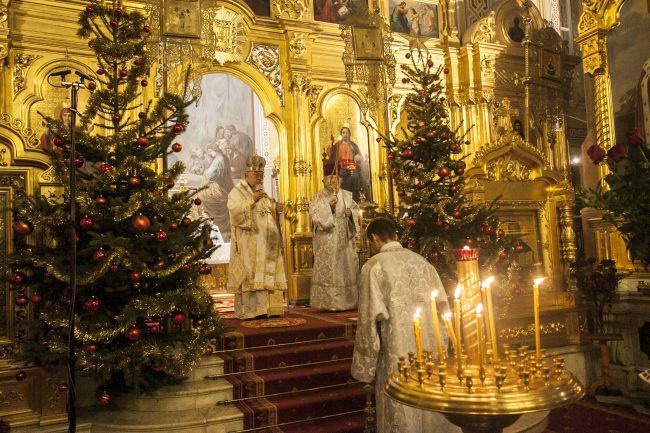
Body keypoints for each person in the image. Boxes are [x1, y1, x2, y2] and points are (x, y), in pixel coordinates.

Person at [351, 218, 460, 433]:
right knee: (431, 396)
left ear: (374, 237)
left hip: (397, 350)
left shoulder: (374, 266)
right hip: (430, 346)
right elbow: (443, 311)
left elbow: (368, 319)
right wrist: (444, 348)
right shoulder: (423, 262)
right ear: (395, 235)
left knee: (402, 401)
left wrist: (366, 366)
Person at [227, 155, 287, 320]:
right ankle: (250, 311)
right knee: (250, 278)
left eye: (261, 175)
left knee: (264, 277)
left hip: (265, 245)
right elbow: (235, 213)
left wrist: (277, 208)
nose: (260, 178)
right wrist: (251, 200)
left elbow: (267, 213)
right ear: (247, 175)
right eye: (256, 175)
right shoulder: (237, 192)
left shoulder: (263, 193)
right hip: (248, 243)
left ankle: (266, 309)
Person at [309, 163, 359, 311]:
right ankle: (329, 302)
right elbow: (316, 218)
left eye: (336, 177)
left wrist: (351, 214)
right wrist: (329, 207)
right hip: (327, 241)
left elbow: (355, 212)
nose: (333, 180)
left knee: (346, 269)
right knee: (330, 271)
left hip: (345, 239)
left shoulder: (347, 195)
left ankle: (348, 302)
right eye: (330, 177)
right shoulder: (319, 196)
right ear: (324, 179)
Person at [325, 126, 369, 201]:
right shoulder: (337, 145)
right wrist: (331, 143)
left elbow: (359, 156)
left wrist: (358, 158)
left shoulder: (353, 146)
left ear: (350, 134)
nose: (345, 134)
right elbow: (330, 153)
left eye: (347, 133)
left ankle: (354, 198)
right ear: (341, 134)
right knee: (339, 179)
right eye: (343, 133)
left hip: (352, 166)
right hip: (341, 167)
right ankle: (341, 199)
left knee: (355, 177)